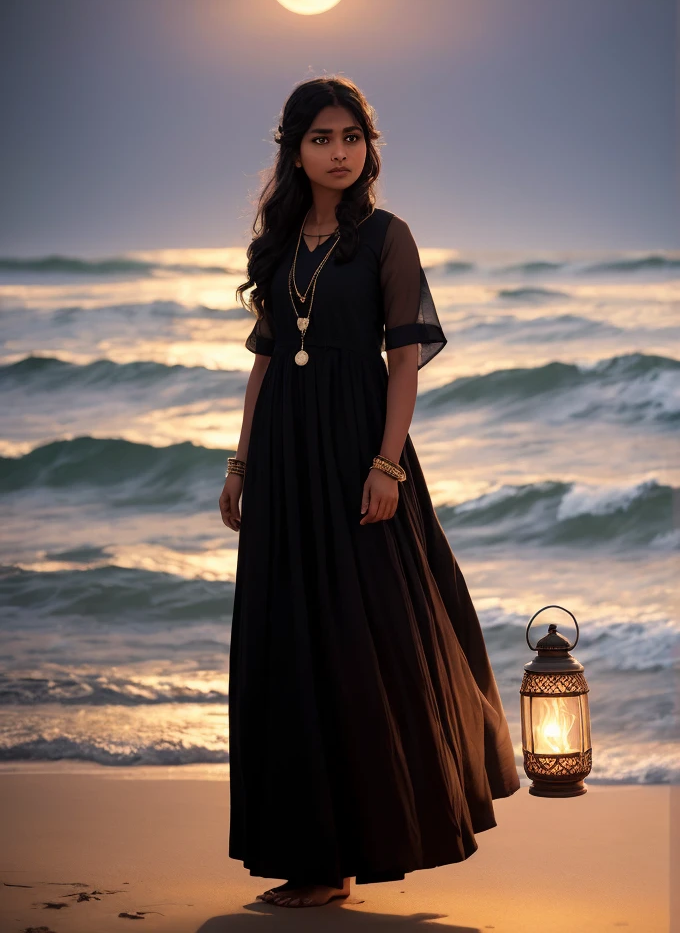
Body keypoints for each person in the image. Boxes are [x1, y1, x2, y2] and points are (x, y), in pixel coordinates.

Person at [219, 76, 520, 909]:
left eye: (352, 136)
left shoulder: (388, 238)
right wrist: (241, 462)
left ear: (368, 146)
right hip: (284, 453)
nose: (340, 151)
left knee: (368, 640)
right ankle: (313, 857)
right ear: (295, 149)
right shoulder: (279, 246)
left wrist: (386, 466)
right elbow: (267, 360)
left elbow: (404, 361)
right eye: (322, 137)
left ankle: (368, 841)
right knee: (291, 644)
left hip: (359, 453)